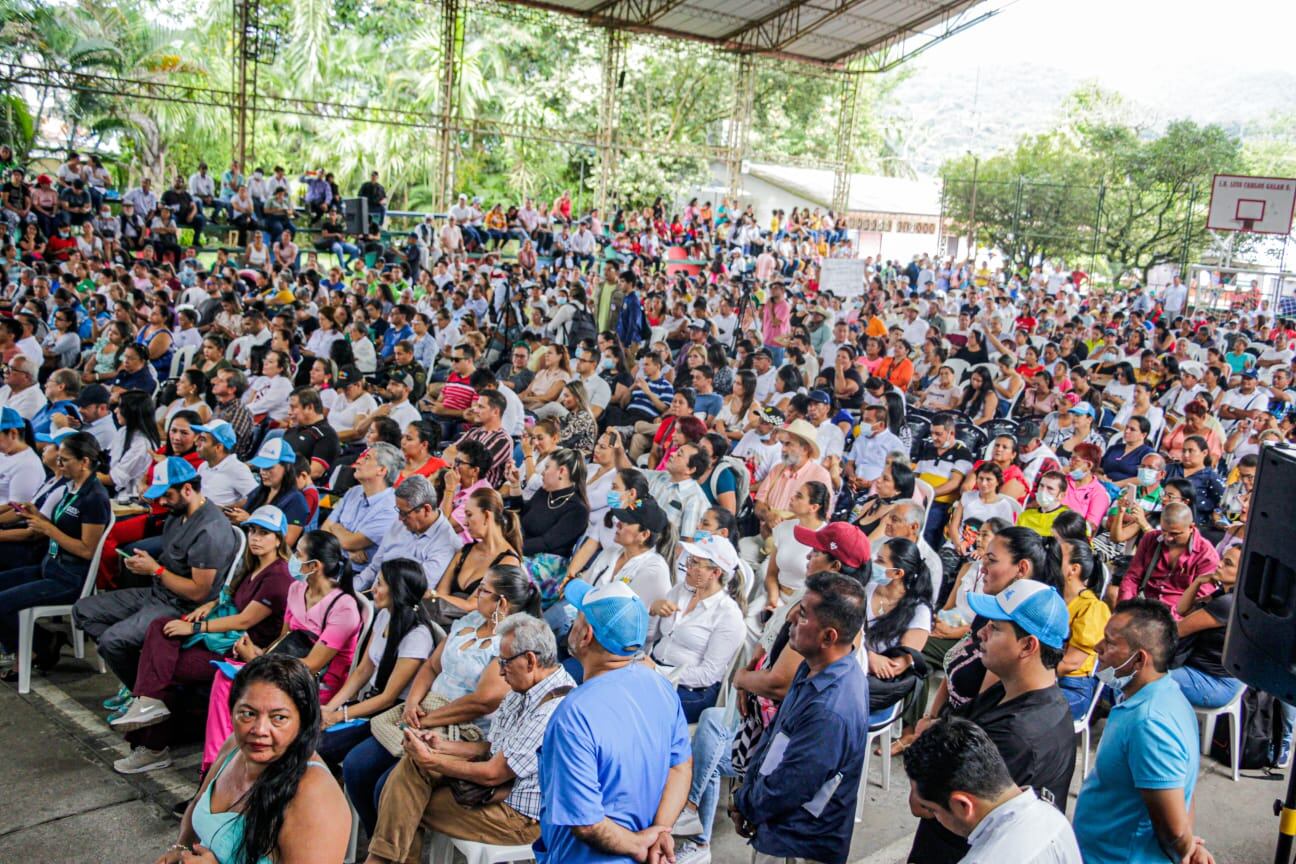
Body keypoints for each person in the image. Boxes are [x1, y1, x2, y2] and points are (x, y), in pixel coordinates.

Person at [364, 614, 577, 863]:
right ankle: (381, 859)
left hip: (519, 816)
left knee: (407, 804)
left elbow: (493, 772)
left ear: (530, 660)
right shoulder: (525, 688)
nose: (500, 671)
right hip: (497, 789)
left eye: (505, 662)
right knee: (411, 771)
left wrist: (431, 760)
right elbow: (492, 748)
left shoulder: (551, 709)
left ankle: (379, 860)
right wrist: (441, 745)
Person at [110, 505, 294, 774]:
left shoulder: (278, 576)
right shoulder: (252, 566)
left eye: (264, 533)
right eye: (253, 530)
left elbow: (244, 621)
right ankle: (148, 702)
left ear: (279, 539)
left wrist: (198, 628)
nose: (255, 538)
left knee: (165, 669)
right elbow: (231, 601)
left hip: (237, 651)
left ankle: (152, 746)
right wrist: (209, 608)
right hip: (222, 638)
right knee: (161, 627)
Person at [910, 578, 1076, 864]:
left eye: (995, 628)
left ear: (1027, 646)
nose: (981, 634)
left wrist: (924, 747)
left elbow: (924, 803)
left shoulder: (1017, 736)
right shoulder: (1010, 689)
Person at [535, 580, 692, 864]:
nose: (572, 624)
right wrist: (659, 833)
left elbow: (586, 822)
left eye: (577, 619)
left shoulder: (574, 714)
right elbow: (680, 767)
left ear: (586, 635)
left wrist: (638, 844)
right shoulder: (662, 689)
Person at [73, 457, 240, 705]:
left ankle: (144, 696)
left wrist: (156, 570)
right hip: (157, 594)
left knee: (112, 642)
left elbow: (198, 593)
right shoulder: (177, 514)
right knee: (83, 611)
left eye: (167, 496)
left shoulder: (210, 531)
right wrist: (146, 565)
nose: (162, 502)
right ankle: (142, 672)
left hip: (182, 607)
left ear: (187, 490)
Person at [156, 655, 351, 864]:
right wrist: (181, 847)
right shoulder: (234, 747)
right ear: (232, 712)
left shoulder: (314, 795)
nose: (259, 730)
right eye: (248, 714)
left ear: (303, 722)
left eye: (279, 718)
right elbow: (198, 802)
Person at [731, 570, 870, 864]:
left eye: (803, 615)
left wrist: (745, 802)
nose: (791, 617)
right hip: (777, 823)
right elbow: (775, 738)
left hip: (797, 841)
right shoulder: (813, 667)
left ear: (828, 636)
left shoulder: (829, 710)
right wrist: (749, 790)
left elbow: (789, 787)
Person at [1073, 599, 1214, 864]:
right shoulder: (1164, 694)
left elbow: (1173, 829)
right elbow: (1185, 788)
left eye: (1110, 642)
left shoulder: (1149, 724)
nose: (1097, 647)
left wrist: (1185, 850)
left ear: (1139, 659)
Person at [0, 432, 110, 680]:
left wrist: (48, 529)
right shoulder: (71, 489)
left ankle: (37, 647)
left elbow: (87, 550)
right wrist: (36, 516)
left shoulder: (94, 499)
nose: (59, 465)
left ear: (84, 461)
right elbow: (57, 526)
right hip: (50, 566)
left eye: (65, 460)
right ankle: (44, 642)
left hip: (70, 578)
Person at [901, 718, 1082, 864]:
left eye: (933, 810)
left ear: (963, 804)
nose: (936, 818)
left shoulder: (981, 860)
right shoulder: (1052, 816)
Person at [645, 535, 745, 722]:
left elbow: (708, 675)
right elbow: (651, 636)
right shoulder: (679, 591)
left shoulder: (728, 615)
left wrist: (659, 672)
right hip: (654, 668)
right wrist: (652, 610)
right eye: (689, 560)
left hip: (690, 689)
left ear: (715, 573)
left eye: (695, 563)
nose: (687, 567)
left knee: (642, 705)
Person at [1170, 544, 1243, 709]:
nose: (1219, 564)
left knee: (1142, 679)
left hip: (1214, 682)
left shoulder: (1228, 603)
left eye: (1228, 564)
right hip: (1198, 671)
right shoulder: (1222, 595)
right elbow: (1182, 610)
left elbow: (1178, 630)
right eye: (1223, 559)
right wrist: (1198, 581)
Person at [1114, 502, 1220, 614]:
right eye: (1164, 531)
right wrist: (1125, 607)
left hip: (1177, 617)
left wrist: (1167, 620)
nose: (1168, 538)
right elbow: (1132, 578)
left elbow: (1199, 601)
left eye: (1175, 534)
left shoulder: (1206, 555)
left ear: (1191, 527)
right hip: (1144, 606)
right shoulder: (1151, 539)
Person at [320, 441, 401, 567]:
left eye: (367, 458)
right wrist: (349, 550)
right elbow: (324, 530)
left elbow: (348, 542)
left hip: (363, 577)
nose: (358, 461)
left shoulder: (391, 509)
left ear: (381, 470)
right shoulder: (353, 491)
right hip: (335, 565)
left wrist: (336, 528)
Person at [1056, 536, 1111, 719]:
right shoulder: (1050, 598)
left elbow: (1070, 663)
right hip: (1044, 679)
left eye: (1057, 558)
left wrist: (1027, 678)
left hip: (1071, 687)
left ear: (1074, 569)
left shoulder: (1092, 608)